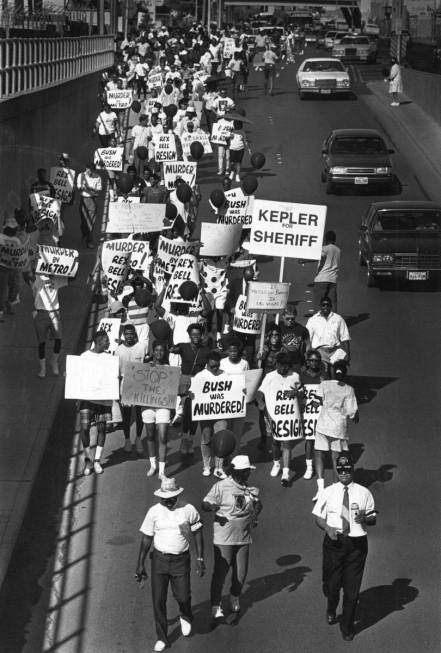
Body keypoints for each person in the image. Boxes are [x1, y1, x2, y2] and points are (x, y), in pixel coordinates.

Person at [135, 477, 205, 652]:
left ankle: (186, 615)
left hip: (180, 560)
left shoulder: (188, 510)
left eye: (171, 498)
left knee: (183, 596)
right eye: (164, 499)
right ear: (160, 497)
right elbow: (146, 538)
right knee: (158, 599)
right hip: (159, 560)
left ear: (177, 495)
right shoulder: (154, 512)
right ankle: (162, 637)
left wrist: (200, 558)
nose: (168, 501)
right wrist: (140, 563)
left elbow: (198, 533)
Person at [312, 453, 377, 641]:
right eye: (340, 470)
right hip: (334, 543)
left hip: (356, 545)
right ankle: (331, 607)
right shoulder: (329, 491)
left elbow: (373, 518)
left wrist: (365, 518)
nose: (343, 473)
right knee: (332, 587)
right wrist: (327, 527)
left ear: (352, 469)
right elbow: (318, 516)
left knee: (352, 591)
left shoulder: (364, 493)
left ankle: (347, 626)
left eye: (346, 470)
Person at [202, 455, 262, 620]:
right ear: (240, 472)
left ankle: (234, 596)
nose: (249, 474)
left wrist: (255, 515)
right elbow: (205, 503)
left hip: (243, 536)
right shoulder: (221, 486)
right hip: (225, 538)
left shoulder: (248, 488)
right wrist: (212, 507)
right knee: (221, 573)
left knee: (241, 573)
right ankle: (215, 604)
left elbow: (258, 504)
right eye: (247, 471)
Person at [313, 360, 359, 500]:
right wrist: (353, 413)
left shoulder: (324, 384)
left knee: (319, 455)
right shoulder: (349, 389)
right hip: (338, 428)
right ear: (344, 373)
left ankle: (321, 490)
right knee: (336, 458)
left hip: (323, 425)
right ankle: (335, 489)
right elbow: (352, 412)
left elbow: (317, 400)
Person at [256, 351, 303, 487]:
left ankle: (286, 472)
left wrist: (297, 392)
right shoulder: (269, 376)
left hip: (288, 415)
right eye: (280, 366)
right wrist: (263, 406)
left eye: (286, 366)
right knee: (276, 441)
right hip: (273, 415)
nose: (282, 369)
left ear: (289, 366)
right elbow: (260, 393)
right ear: (276, 364)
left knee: (286, 443)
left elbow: (302, 392)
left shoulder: (295, 376)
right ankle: (276, 463)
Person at [170, 323, 211, 454]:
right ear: (189, 335)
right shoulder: (183, 346)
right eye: (193, 334)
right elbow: (171, 349)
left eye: (198, 334)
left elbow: (217, 358)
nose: (196, 337)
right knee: (186, 412)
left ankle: (191, 441)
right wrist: (170, 348)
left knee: (195, 415)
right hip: (185, 381)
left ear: (202, 335)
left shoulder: (206, 350)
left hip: (198, 382)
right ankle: (183, 441)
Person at [189, 350, 228, 477]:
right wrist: (191, 394)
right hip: (205, 413)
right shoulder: (200, 376)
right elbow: (192, 390)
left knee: (221, 439)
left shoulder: (225, 375)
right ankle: (207, 465)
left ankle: (219, 468)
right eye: (213, 366)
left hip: (221, 413)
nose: (216, 368)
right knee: (206, 438)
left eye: (218, 366)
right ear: (207, 364)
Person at [79, 330, 113, 475]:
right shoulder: (84, 357)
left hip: (103, 399)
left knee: (101, 428)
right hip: (87, 399)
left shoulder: (110, 358)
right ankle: (88, 460)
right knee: (85, 428)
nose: (109, 343)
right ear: (99, 341)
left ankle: (97, 460)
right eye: (106, 340)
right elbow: (77, 376)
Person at [143, 341, 172, 479]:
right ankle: (152, 465)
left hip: (163, 406)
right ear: (153, 352)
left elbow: (172, 388)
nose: (159, 353)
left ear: (165, 353)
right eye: (156, 350)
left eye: (162, 350)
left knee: (162, 435)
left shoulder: (169, 369)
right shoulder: (146, 367)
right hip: (148, 405)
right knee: (149, 435)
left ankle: (161, 471)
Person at [116, 323, 146, 454]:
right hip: (125, 383)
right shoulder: (118, 350)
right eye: (126, 334)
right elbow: (116, 372)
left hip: (139, 383)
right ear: (123, 335)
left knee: (140, 413)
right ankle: (127, 439)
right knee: (126, 415)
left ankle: (138, 439)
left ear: (135, 334)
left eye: (131, 333)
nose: (129, 336)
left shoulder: (142, 347)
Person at [300, 349, 328, 480]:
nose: (314, 363)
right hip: (307, 413)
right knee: (309, 440)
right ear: (307, 361)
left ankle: (319, 464)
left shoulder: (324, 376)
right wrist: (302, 399)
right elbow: (298, 393)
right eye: (311, 360)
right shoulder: (301, 376)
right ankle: (309, 466)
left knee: (320, 440)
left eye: (316, 360)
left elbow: (329, 395)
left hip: (320, 412)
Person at [220, 335, 249, 452]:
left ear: (239, 351)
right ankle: (225, 451)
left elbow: (248, 380)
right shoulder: (222, 362)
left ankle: (235, 454)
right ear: (227, 351)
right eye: (230, 351)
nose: (233, 353)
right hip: (225, 401)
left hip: (239, 402)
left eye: (235, 351)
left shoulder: (244, 364)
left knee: (237, 430)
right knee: (225, 428)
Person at [306, 297, 350, 372]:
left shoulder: (338, 319)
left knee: (338, 373)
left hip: (335, 350)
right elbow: (308, 339)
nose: (325, 307)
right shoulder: (313, 320)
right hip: (320, 352)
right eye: (323, 305)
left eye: (328, 305)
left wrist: (348, 354)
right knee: (324, 372)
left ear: (331, 306)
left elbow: (345, 337)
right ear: (320, 306)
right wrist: (308, 354)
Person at [313, 231, 341, 312]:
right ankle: (334, 321)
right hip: (333, 280)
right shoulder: (338, 250)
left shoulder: (324, 249)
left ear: (325, 239)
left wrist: (304, 260)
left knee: (318, 302)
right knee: (332, 303)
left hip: (321, 279)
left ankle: (317, 321)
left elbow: (320, 258)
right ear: (334, 240)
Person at [76, 162, 102, 249]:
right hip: (83, 200)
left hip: (92, 200)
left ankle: (89, 241)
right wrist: (81, 187)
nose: (89, 172)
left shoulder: (97, 177)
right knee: (84, 222)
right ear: (86, 169)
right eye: (88, 169)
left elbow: (99, 189)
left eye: (91, 170)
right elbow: (78, 187)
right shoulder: (81, 176)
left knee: (91, 222)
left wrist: (91, 188)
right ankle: (85, 233)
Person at [279, 303, 308, 371]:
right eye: (287, 318)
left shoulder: (302, 330)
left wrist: (306, 363)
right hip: (281, 363)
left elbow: (308, 347)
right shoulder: (278, 328)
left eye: (292, 319)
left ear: (295, 316)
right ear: (283, 316)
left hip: (296, 364)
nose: (290, 321)